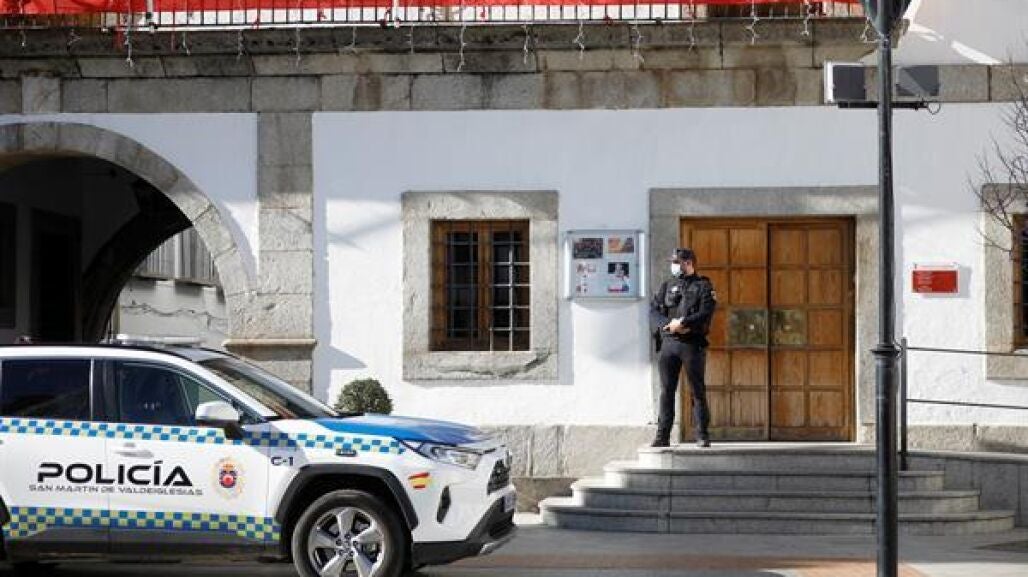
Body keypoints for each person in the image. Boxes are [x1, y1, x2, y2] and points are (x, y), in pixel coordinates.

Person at [649, 248, 717, 448]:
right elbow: (653, 310)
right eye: (673, 262)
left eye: (677, 262)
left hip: (692, 344)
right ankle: (662, 436)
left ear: (689, 263)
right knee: (666, 391)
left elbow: (706, 312)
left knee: (697, 390)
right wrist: (667, 325)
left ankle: (702, 435)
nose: (674, 266)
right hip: (669, 344)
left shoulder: (703, 286)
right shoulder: (667, 285)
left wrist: (684, 323)